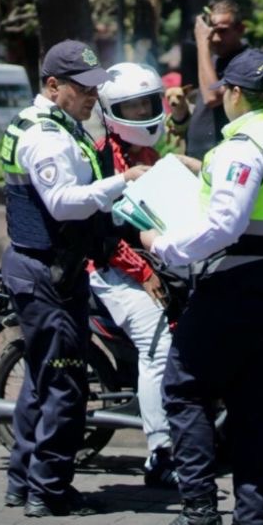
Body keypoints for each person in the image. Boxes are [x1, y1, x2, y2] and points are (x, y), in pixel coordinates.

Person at [141, 49, 263, 525]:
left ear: (235, 94)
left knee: (183, 388)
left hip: (241, 284)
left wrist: (163, 247)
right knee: (251, 403)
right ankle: (253, 523)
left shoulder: (243, 144)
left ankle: (199, 513)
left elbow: (224, 224)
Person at [0, 40, 148, 517]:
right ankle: (50, 491)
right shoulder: (46, 136)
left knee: (40, 382)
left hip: (50, 267)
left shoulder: (58, 125)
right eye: (82, 88)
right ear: (52, 85)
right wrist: (122, 182)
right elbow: (63, 201)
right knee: (65, 385)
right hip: (48, 271)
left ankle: (23, 482)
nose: (91, 96)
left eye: (95, 87)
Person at [89, 61, 180, 487]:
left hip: (144, 264)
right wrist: (144, 272)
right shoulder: (104, 157)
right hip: (108, 269)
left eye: (149, 104)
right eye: (134, 107)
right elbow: (105, 237)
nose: (145, 113)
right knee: (157, 346)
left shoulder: (147, 153)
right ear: (110, 111)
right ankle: (160, 452)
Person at [186, 0, 248, 161]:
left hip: (222, 153)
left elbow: (212, 97)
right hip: (198, 151)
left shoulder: (246, 60)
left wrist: (201, 43)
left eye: (223, 31)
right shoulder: (213, 59)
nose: (215, 38)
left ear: (240, 30)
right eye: (211, 31)